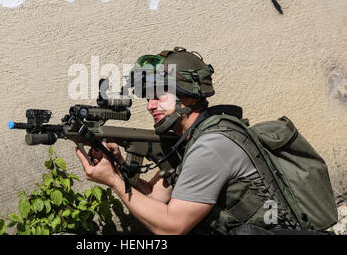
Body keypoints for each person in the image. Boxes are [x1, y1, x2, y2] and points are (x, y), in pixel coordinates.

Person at [75, 47, 300, 235]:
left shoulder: (211, 146)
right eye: (148, 97)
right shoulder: (196, 136)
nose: (150, 105)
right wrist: (118, 167)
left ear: (189, 96)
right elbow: (156, 198)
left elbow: (172, 227)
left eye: (159, 95)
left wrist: (114, 182)